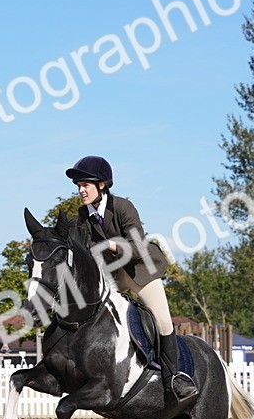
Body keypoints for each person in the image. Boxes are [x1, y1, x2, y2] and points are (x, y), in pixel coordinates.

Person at [65, 155, 198, 404]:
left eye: (85, 185)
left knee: (162, 320)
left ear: (102, 185)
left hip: (140, 271)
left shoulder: (124, 207)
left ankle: (175, 378)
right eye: (79, 186)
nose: (81, 190)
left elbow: (138, 247)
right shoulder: (83, 214)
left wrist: (114, 244)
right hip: (112, 276)